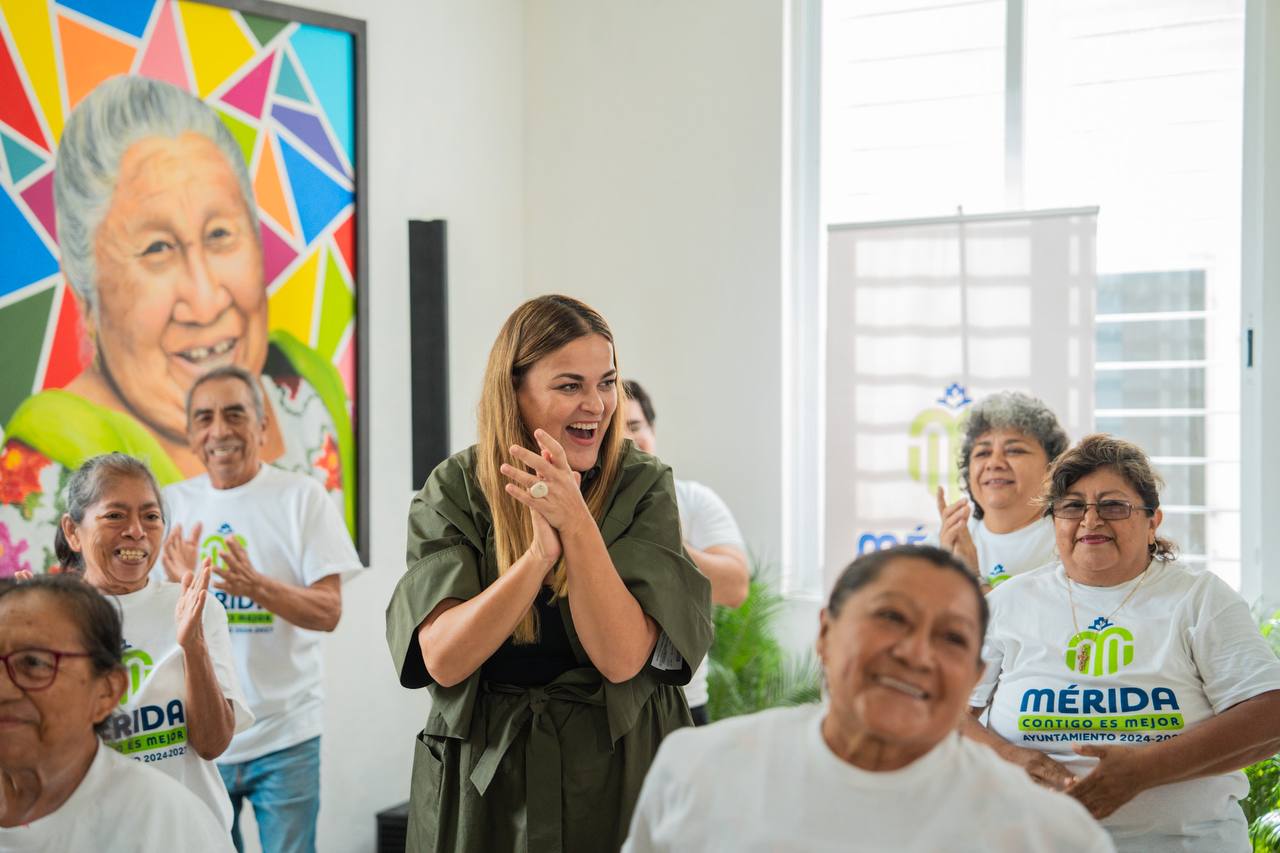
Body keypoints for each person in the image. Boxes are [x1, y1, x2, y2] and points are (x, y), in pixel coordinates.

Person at [386, 295, 713, 853]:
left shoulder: (644, 486)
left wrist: (577, 523)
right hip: (486, 782)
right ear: (515, 391)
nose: (597, 404)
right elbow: (443, 658)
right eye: (570, 386)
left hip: (617, 766)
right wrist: (537, 558)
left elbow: (622, 657)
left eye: (607, 382)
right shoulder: (454, 489)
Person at [0, 74, 354, 575]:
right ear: (86, 289)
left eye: (220, 234)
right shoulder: (47, 470)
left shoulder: (309, 398)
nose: (206, 300)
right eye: (157, 249)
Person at [623, 544, 1115, 852]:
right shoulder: (700, 768)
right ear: (826, 633)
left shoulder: (1046, 835)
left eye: (952, 638)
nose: (916, 654)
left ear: (975, 677)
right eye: (891, 618)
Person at [965, 434, 1280, 852]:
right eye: (1073, 506)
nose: (1091, 521)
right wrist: (1008, 757)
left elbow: (1269, 712)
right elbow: (946, 717)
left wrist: (1145, 771)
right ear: (1054, 521)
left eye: (1113, 506)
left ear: (1153, 521)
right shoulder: (1006, 604)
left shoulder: (1199, 598)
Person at [161, 365, 364, 853]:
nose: (220, 430)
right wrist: (180, 586)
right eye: (204, 418)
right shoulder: (168, 507)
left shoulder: (302, 498)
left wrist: (255, 586)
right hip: (200, 740)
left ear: (263, 426)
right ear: (190, 434)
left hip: (286, 734)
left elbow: (328, 611)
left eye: (235, 413)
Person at [53, 453, 250, 830]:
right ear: (73, 531)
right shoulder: (54, 617)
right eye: (115, 515)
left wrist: (193, 646)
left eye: (151, 516)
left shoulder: (197, 607)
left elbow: (211, 744)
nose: (136, 531)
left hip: (194, 836)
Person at [0, 573, 233, 851]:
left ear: (107, 691)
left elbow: (213, 741)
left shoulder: (164, 819)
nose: (5, 688)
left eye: (34, 663)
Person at [623, 379, 748, 724]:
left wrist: (658, 535)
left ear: (652, 430)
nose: (627, 439)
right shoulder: (574, 509)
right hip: (605, 710)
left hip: (684, 702)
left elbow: (735, 587)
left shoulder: (693, 500)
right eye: (613, 429)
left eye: (635, 426)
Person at [935, 391, 1069, 588]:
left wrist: (971, 579)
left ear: (1052, 467)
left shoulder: (1072, 542)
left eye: (1014, 450)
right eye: (983, 452)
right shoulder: (944, 543)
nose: (994, 463)